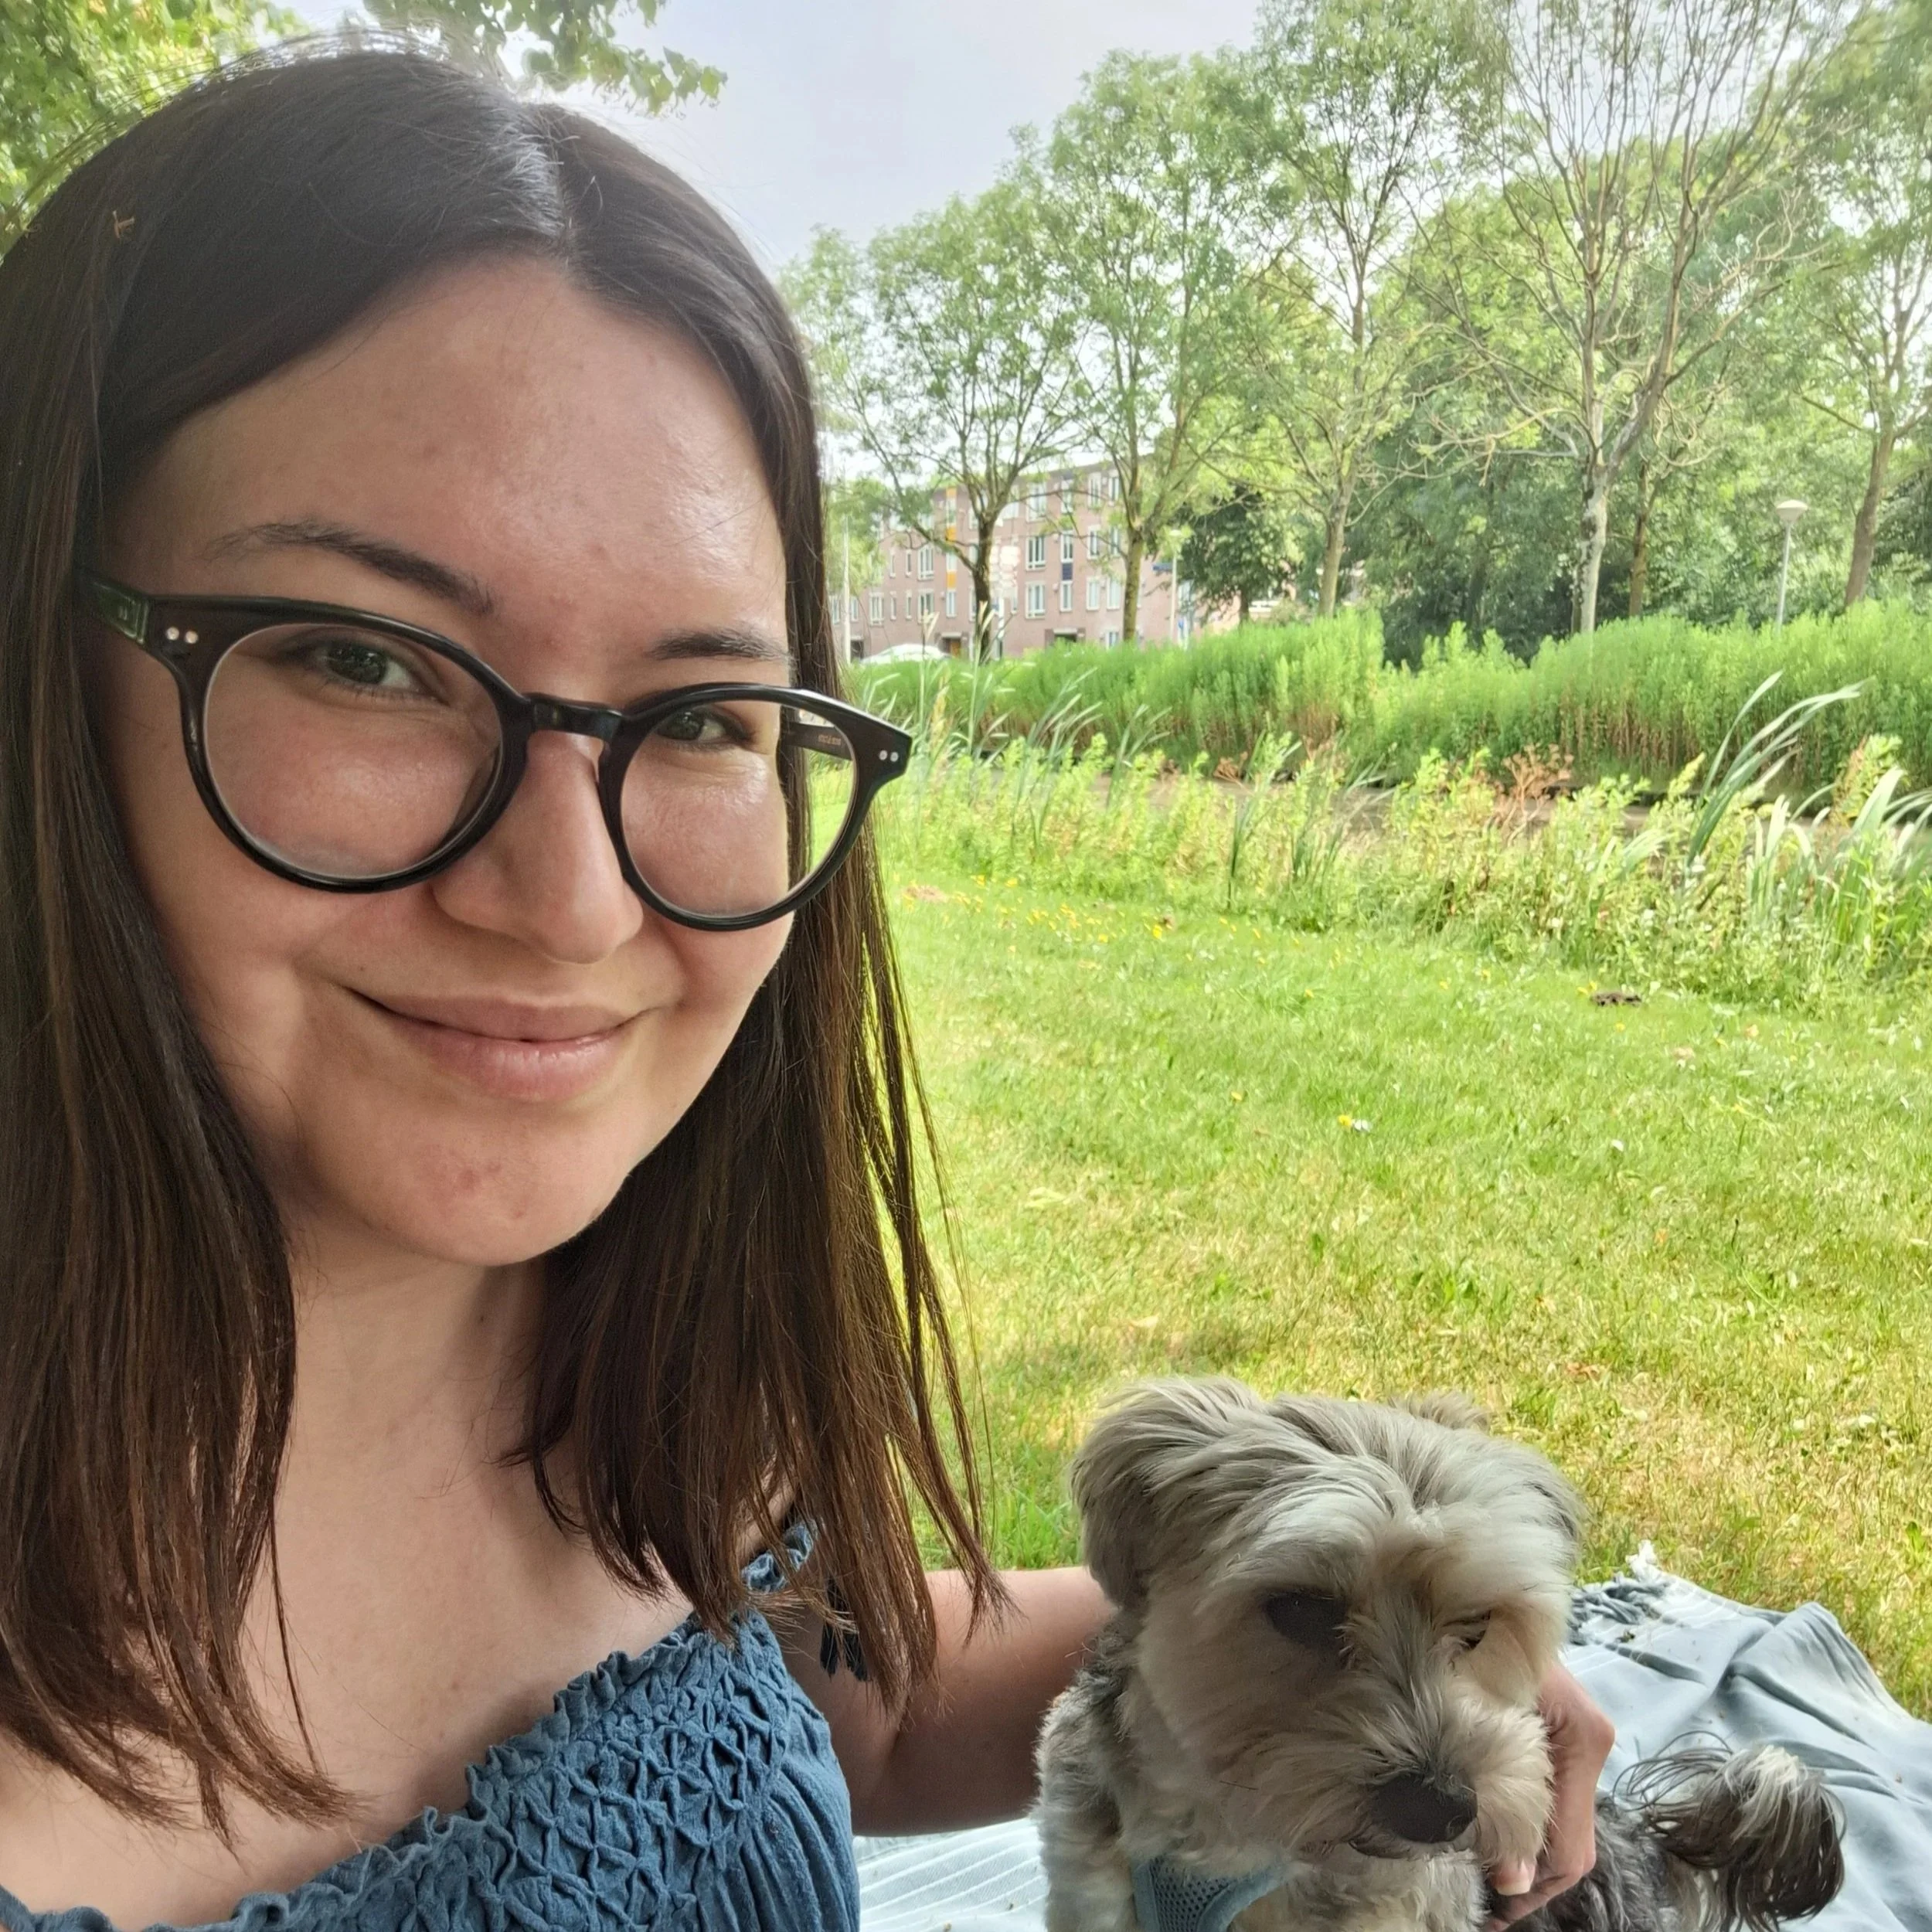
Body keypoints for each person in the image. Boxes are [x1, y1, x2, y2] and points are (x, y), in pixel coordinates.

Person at [0, 46, 1613, 1930]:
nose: (570, 900)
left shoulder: (639, 1348)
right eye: (367, 662)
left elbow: (811, 1696)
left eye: (696, 715)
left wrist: (1350, 1622)